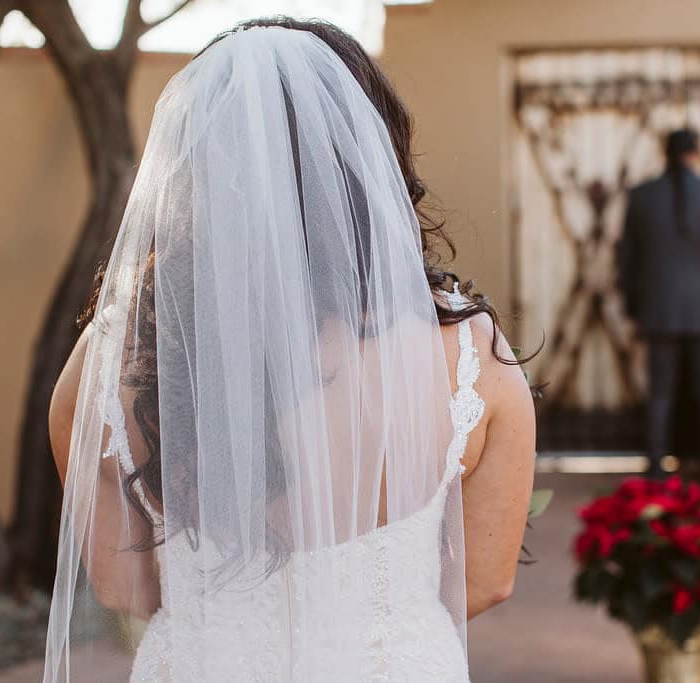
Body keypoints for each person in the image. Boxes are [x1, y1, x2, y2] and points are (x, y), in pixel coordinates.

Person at [44, 19, 536, 682]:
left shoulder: (117, 355)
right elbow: (485, 581)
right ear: (370, 156)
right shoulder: (469, 352)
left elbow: (120, 586)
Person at [617, 128, 700, 489]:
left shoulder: (642, 196)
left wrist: (633, 309)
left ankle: (657, 472)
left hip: (659, 312)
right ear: (696, 153)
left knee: (660, 395)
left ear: (665, 152)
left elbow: (627, 260)